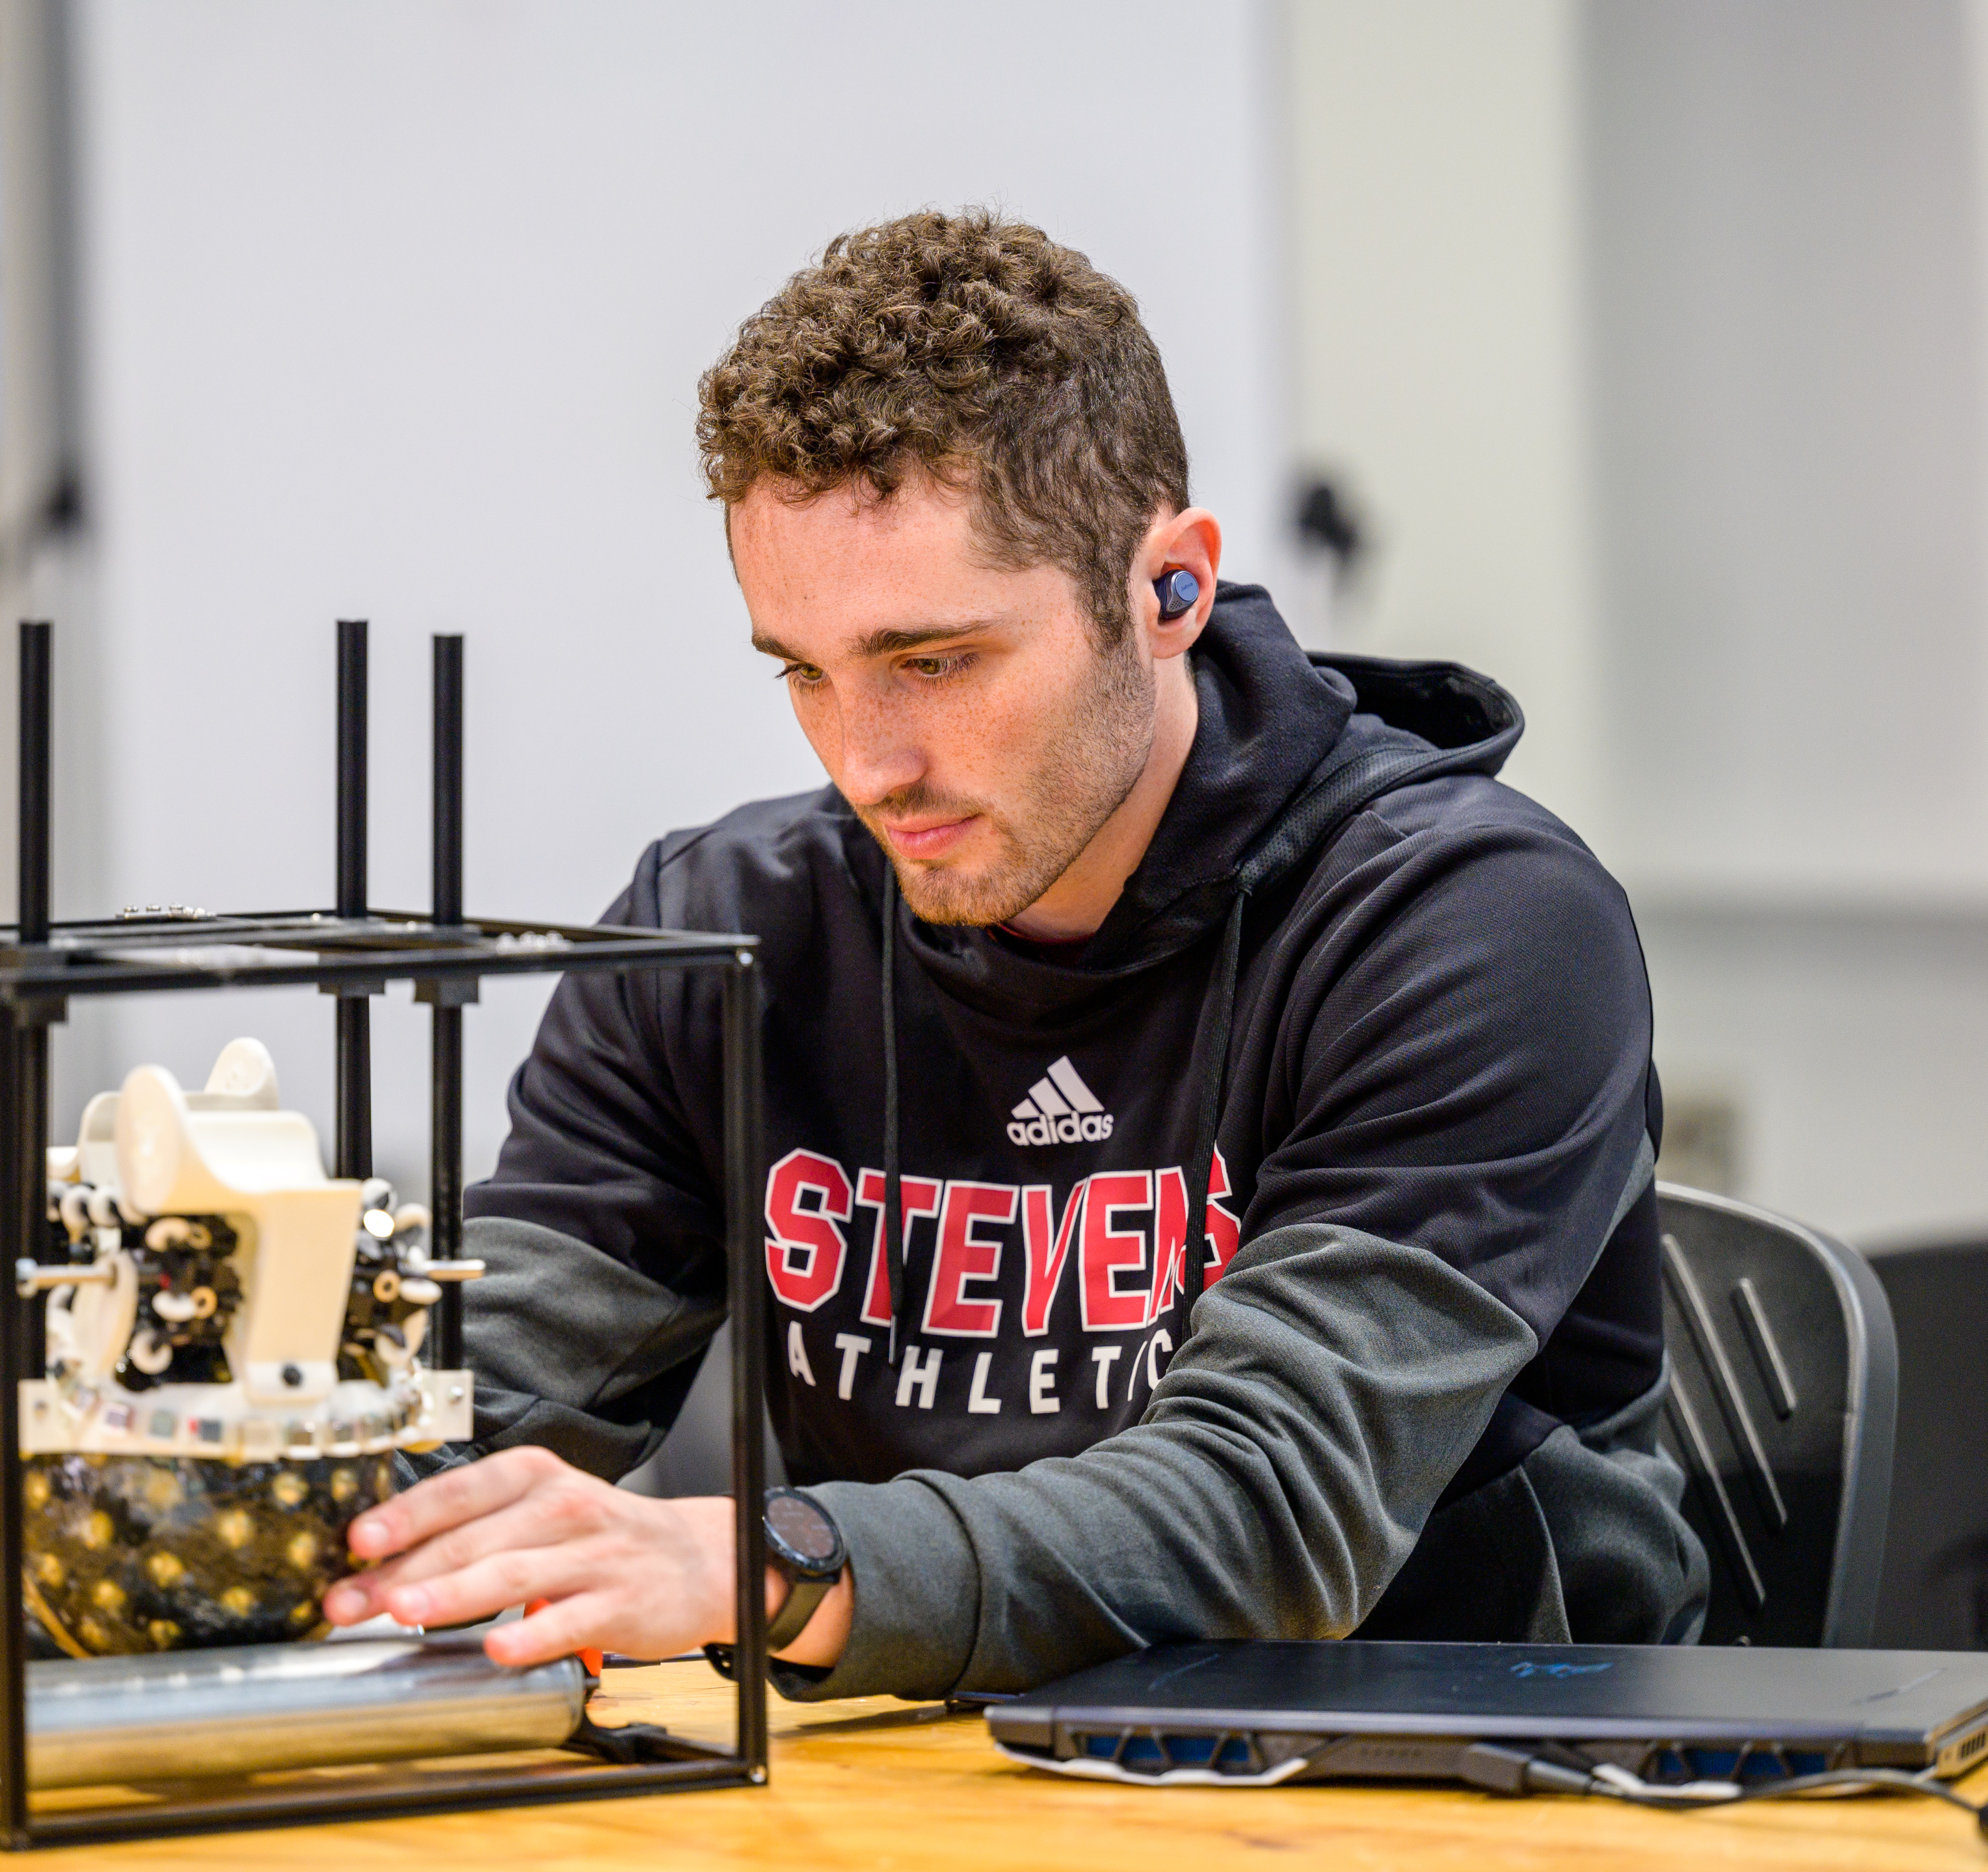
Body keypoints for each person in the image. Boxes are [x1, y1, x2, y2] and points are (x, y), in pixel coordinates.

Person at [324, 209, 1706, 1698]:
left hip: (1454, 1778)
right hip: (948, 1780)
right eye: (807, 672)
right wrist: (192, 1493)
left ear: (1166, 587)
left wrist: (765, 1563)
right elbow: (475, 1413)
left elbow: (1272, 1509)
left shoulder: (1473, 925)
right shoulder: (726, 923)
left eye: (935, 663)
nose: (870, 764)